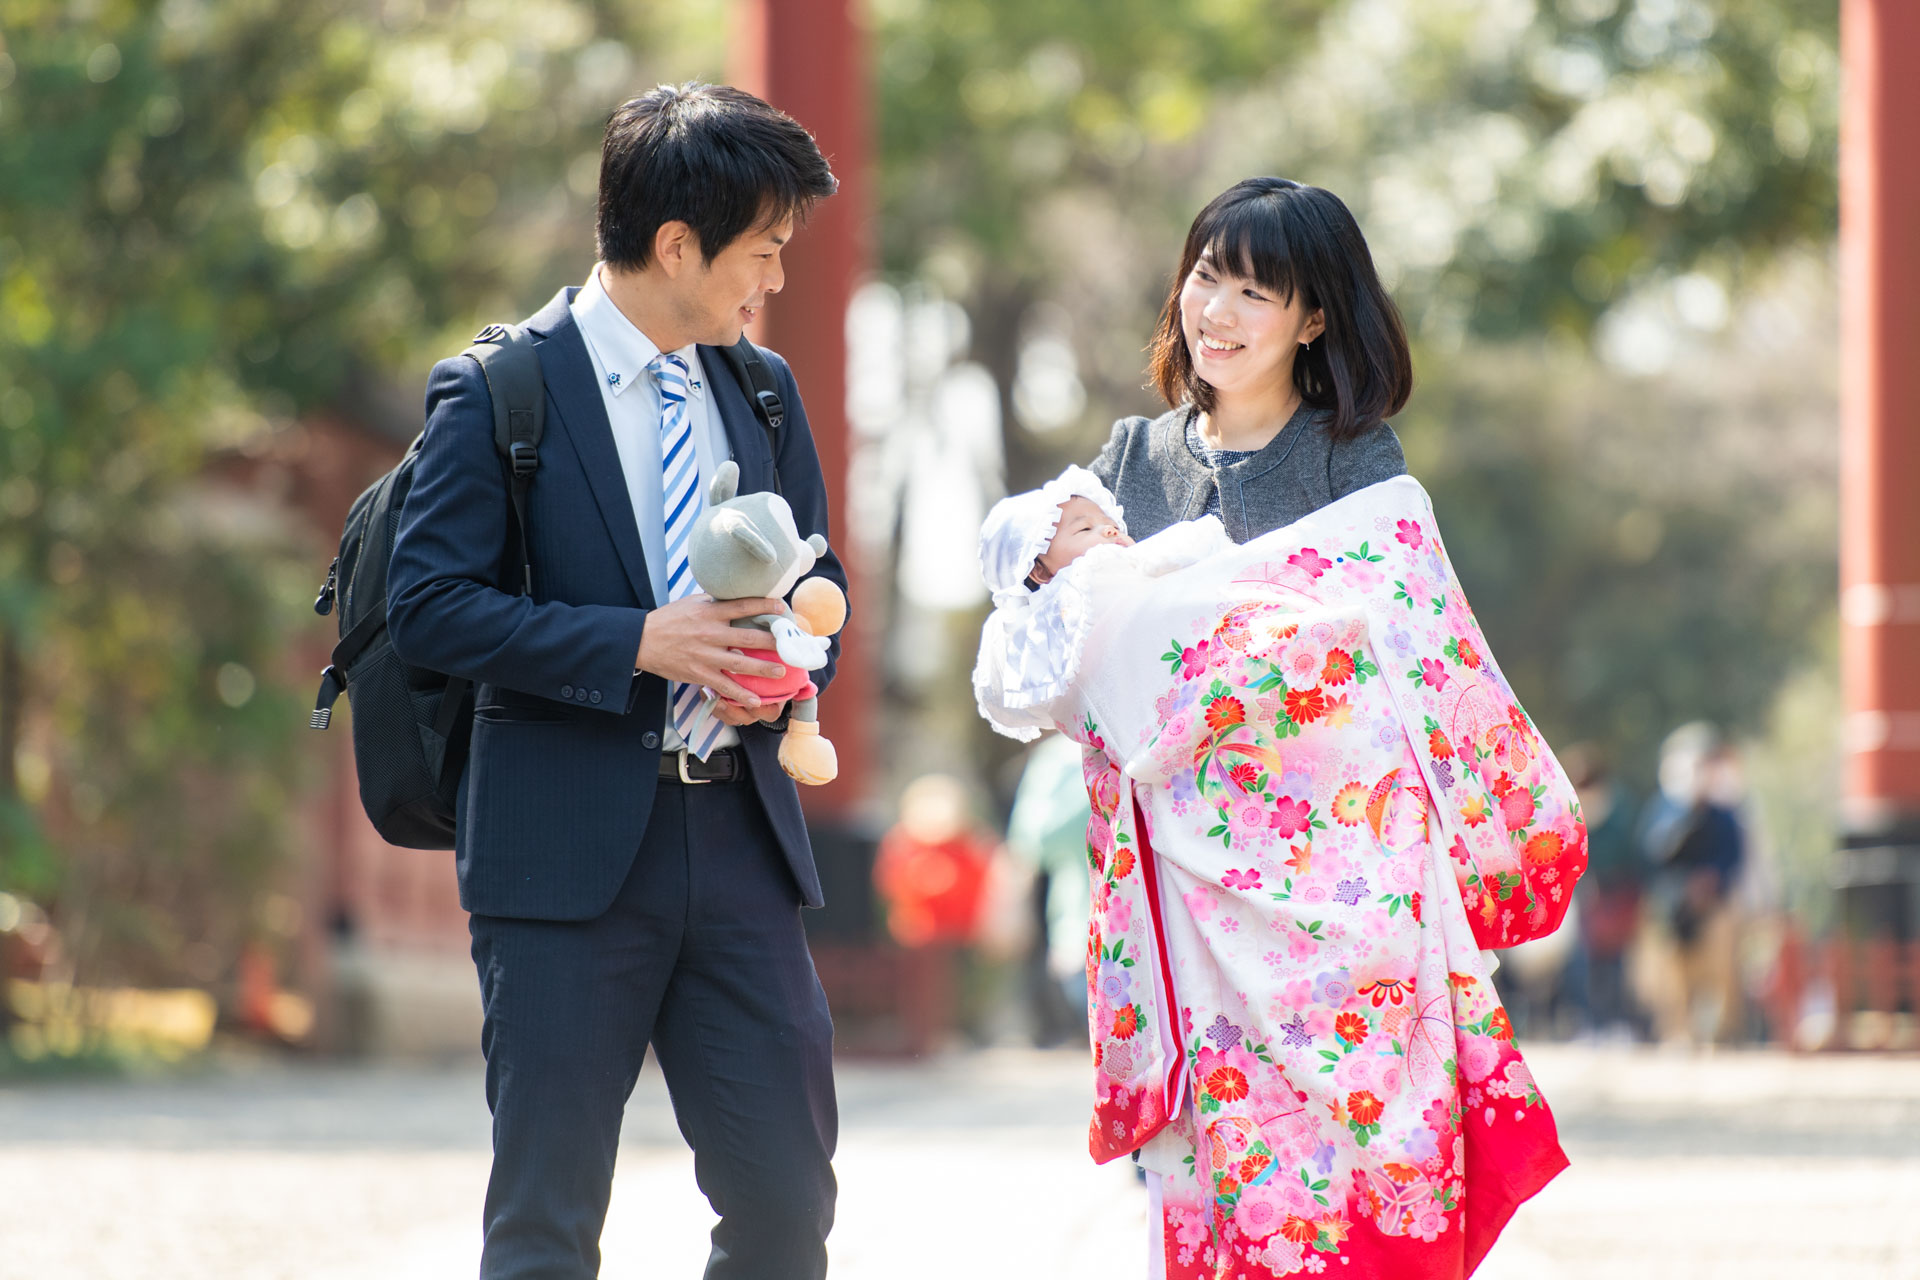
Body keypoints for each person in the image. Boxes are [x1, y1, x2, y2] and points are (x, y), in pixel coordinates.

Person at [386, 83, 843, 1280]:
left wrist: (786, 671)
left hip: (741, 841)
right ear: (678, 243)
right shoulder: (500, 390)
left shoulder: (760, 388)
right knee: (546, 1225)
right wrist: (641, 642)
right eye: (764, 253)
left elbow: (818, 579)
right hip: (562, 858)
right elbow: (429, 607)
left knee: (789, 1208)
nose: (775, 283)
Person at [974, 461, 1586, 1277]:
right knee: (1252, 1120)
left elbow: (1230, 585)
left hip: (1324, 833)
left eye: (1107, 523)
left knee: (1356, 1066)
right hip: (1207, 887)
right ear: (1038, 575)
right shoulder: (1082, 606)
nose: (1113, 536)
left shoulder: (1330, 454)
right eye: (1086, 531)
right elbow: (1138, 675)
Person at [1090, 177, 1411, 545]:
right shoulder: (1129, 457)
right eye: (1206, 276)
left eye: (1253, 293)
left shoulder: (1353, 460)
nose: (1217, 312)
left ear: (1312, 322)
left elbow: (1395, 594)